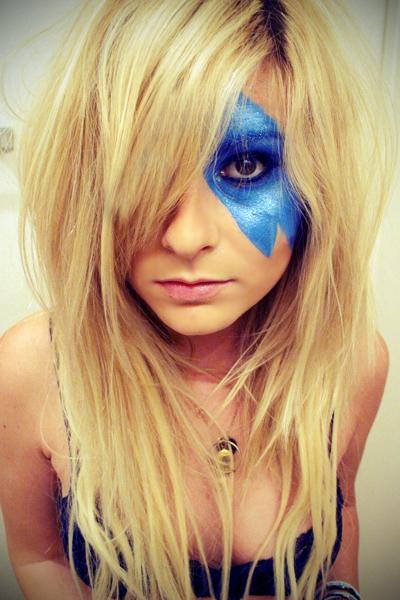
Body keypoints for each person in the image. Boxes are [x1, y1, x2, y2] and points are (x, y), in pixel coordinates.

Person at [0, 1, 396, 599]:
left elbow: (341, 518)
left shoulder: (352, 361)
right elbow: (39, 556)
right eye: (142, 168)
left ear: (318, 182)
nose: (185, 237)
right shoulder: (36, 368)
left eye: (246, 164)